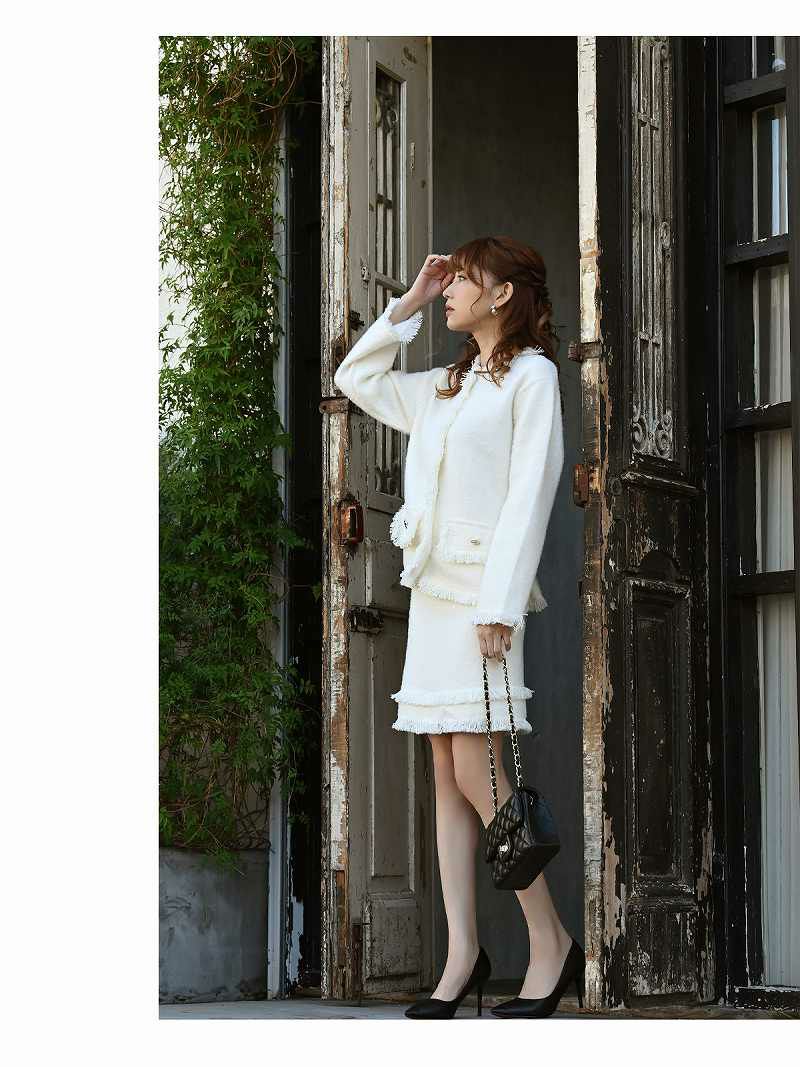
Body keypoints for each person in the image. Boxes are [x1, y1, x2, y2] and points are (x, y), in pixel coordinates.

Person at [333, 235, 585, 1019]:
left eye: (460, 281)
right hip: (435, 598)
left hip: (482, 600)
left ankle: (549, 941)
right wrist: (406, 304)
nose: (448, 290)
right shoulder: (447, 385)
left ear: (502, 293)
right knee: (446, 769)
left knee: (480, 768)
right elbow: (354, 378)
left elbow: (531, 491)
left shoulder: (533, 377)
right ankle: (463, 954)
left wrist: (501, 605)